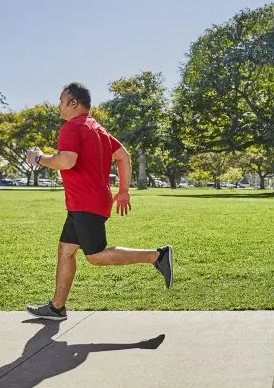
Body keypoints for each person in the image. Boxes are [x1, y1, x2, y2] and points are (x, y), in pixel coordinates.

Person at [25, 82, 172, 321]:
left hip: (86, 203)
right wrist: (123, 190)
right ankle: (56, 307)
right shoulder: (98, 129)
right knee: (66, 250)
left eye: (62, 101)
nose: (59, 105)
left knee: (95, 256)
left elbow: (66, 161)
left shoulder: (72, 127)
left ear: (74, 103)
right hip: (83, 203)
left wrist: (39, 158)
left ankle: (157, 256)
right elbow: (124, 155)